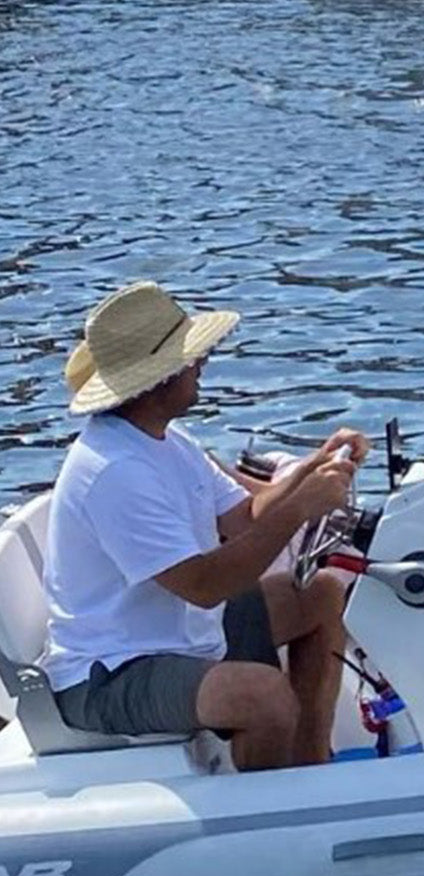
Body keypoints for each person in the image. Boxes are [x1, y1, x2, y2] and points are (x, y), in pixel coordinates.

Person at [42, 280, 369, 771]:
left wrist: (316, 465)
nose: (202, 363)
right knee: (264, 697)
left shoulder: (167, 439)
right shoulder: (114, 471)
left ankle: (310, 770)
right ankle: (269, 823)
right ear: (157, 379)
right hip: (108, 673)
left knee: (321, 595)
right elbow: (205, 585)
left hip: (180, 632)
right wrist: (302, 509)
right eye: (191, 357)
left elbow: (245, 517)